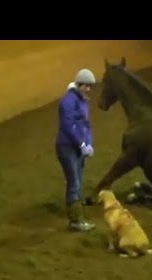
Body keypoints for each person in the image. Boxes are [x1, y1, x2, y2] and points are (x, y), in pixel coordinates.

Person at [56, 68, 97, 231]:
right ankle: (75, 221)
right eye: (85, 86)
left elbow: (86, 125)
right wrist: (81, 144)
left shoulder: (83, 101)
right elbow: (68, 126)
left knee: (78, 181)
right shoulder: (67, 102)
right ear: (78, 84)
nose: (88, 89)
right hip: (67, 147)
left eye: (89, 86)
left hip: (79, 148)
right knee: (74, 181)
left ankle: (78, 215)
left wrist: (89, 142)